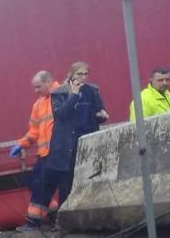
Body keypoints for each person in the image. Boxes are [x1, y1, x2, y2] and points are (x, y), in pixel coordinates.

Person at [30, 62, 105, 229]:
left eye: (85, 74)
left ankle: (86, 218)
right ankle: (63, 221)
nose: (83, 77)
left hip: (87, 143)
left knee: (89, 181)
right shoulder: (59, 93)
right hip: (67, 147)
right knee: (66, 184)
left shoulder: (92, 91)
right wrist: (74, 95)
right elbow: (62, 114)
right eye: (79, 74)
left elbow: (99, 111)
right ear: (71, 74)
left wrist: (101, 115)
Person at [10, 70, 59, 229]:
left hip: (57, 152)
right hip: (44, 154)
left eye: (38, 87)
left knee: (40, 185)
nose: (35, 91)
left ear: (48, 82)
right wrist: (22, 144)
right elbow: (34, 131)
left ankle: (33, 222)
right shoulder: (38, 104)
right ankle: (53, 215)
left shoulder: (60, 96)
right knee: (34, 183)